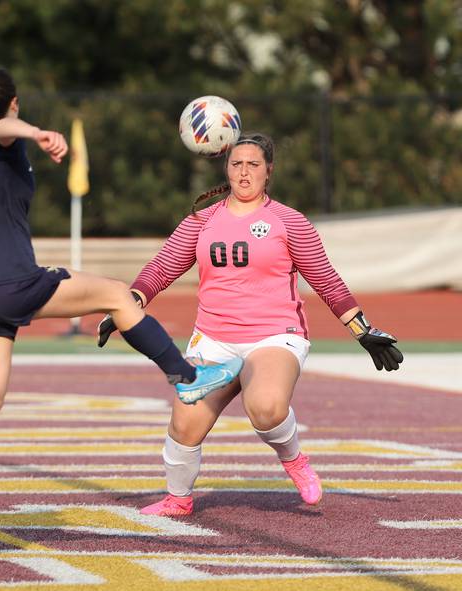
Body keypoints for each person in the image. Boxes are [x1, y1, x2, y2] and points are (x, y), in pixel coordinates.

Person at [0, 65, 243, 558]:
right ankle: (186, 375)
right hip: (9, 281)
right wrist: (35, 132)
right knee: (116, 294)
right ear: (13, 104)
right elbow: (0, 128)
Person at [98, 132, 403, 516]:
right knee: (185, 424)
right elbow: (162, 268)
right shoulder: (202, 220)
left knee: (266, 407)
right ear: (226, 168)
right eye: (236, 164)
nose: (244, 173)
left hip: (274, 335)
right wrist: (126, 307)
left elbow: (325, 279)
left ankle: (294, 460)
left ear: (268, 171)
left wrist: (363, 330)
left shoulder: (288, 221)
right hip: (213, 339)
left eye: (253, 165)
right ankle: (178, 499)